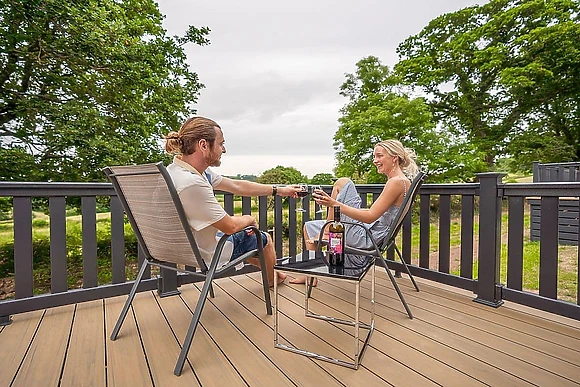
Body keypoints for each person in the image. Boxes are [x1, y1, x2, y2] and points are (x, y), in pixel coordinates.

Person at [164, 116, 300, 287]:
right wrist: (249, 219)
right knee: (262, 238)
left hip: (179, 247)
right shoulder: (192, 183)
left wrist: (279, 190)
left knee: (246, 238)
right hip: (206, 251)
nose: (224, 149)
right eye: (221, 144)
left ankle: (274, 272)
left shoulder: (176, 171)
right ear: (203, 145)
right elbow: (231, 227)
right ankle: (271, 281)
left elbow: (237, 186)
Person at [289, 139, 419, 285]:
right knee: (310, 226)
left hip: (367, 237)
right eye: (374, 156)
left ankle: (325, 232)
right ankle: (310, 275)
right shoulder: (403, 181)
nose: (375, 160)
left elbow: (370, 217)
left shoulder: (395, 182)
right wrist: (339, 206)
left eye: (379, 156)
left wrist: (334, 204)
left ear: (394, 157)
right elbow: (374, 213)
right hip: (372, 233)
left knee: (343, 182)